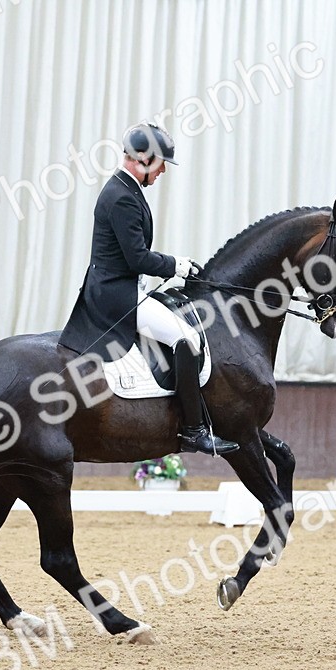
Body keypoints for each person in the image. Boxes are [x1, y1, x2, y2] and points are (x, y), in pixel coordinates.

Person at [58, 123, 238, 455]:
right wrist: (175, 265)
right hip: (116, 296)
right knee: (187, 338)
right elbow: (137, 257)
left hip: (120, 287)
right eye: (161, 164)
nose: (163, 171)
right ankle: (194, 431)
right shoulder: (122, 197)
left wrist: (173, 265)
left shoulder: (124, 189)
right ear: (143, 159)